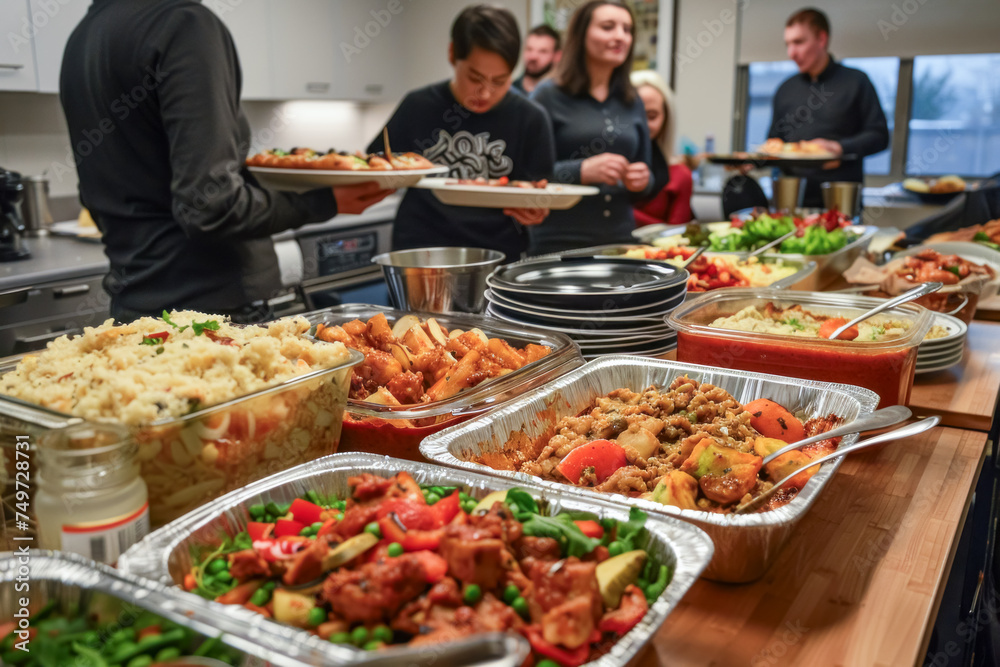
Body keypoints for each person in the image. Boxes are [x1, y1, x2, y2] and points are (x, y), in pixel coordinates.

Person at [59, 0, 392, 324]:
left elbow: (106, 188)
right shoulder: (184, 23)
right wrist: (325, 200)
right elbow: (210, 206)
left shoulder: (83, 36)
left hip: (134, 312)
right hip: (211, 319)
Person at [368, 5, 555, 263]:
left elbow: (539, 191)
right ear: (453, 53)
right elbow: (374, 166)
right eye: (475, 78)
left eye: (500, 81)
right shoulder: (419, 106)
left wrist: (535, 210)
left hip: (498, 257)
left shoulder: (531, 118)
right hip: (422, 254)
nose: (485, 93)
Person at [527, 0, 653, 255]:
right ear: (581, 34)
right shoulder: (547, 95)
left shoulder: (631, 99)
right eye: (608, 27)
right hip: (559, 244)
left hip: (621, 242)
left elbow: (648, 175)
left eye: (627, 30)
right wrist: (581, 170)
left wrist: (642, 180)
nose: (621, 37)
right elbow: (527, 176)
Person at [766, 8, 889, 208]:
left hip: (840, 201)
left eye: (798, 42)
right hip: (792, 203)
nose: (791, 53)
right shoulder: (785, 89)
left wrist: (840, 148)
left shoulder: (855, 81)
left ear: (821, 39)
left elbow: (880, 136)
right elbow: (774, 143)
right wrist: (751, 162)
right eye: (788, 44)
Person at [630, 70, 694, 226]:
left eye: (651, 116)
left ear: (665, 119)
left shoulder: (680, 176)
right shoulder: (603, 170)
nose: (642, 125)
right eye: (633, 114)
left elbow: (675, 238)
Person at [511, 24, 562, 95]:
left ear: (557, 56)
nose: (533, 57)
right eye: (529, 49)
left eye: (543, 51)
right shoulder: (509, 92)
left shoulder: (564, 95)